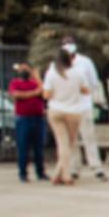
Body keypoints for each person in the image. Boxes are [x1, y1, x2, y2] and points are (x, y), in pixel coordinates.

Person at [61, 37, 107, 181]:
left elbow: (94, 82)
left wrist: (83, 92)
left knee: (89, 137)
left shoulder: (85, 62)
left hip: (83, 106)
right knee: (71, 140)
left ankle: (97, 168)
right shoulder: (61, 64)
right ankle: (74, 168)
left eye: (70, 44)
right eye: (65, 44)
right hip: (68, 107)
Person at [43, 49, 89, 185]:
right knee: (69, 144)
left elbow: (46, 94)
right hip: (73, 111)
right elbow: (86, 90)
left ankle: (58, 174)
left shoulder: (51, 73)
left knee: (63, 143)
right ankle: (66, 175)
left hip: (56, 110)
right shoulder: (78, 73)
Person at [7, 63, 48, 182]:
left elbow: (44, 92)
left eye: (26, 69)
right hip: (23, 119)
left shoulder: (35, 83)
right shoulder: (15, 83)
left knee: (39, 147)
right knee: (23, 146)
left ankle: (40, 172)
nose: (24, 71)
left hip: (38, 118)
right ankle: (23, 173)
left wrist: (37, 78)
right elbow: (16, 94)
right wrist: (34, 93)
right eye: (22, 69)